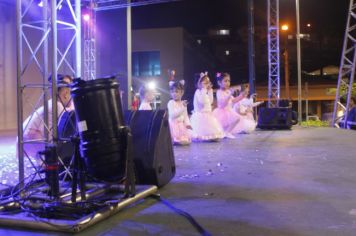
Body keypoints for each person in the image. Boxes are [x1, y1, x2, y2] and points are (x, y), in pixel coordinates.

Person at [22, 74, 74, 165]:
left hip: (29, 139)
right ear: (65, 94)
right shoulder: (57, 106)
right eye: (70, 92)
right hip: (33, 140)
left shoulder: (54, 104)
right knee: (69, 140)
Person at [190, 72, 224, 141]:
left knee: (214, 133)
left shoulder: (204, 91)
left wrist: (210, 91)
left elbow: (210, 101)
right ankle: (206, 136)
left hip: (208, 114)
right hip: (201, 116)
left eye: (208, 82)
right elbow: (202, 101)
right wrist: (204, 90)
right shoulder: (198, 92)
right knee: (204, 132)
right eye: (205, 83)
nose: (207, 84)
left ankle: (211, 136)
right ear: (198, 84)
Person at [213, 72, 245, 139]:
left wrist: (242, 96)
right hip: (222, 111)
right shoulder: (219, 92)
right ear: (219, 83)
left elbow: (234, 101)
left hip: (228, 110)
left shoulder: (227, 91)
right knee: (232, 120)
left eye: (229, 81)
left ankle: (227, 132)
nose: (228, 83)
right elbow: (222, 104)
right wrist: (229, 94)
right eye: (225, 81)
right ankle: (226, 132)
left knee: (237, 119)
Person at [167, 80, 192, 145]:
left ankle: (181, 140)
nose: (174, 93)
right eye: (172, 92)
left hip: (181, 125)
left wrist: (187, 124)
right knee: (176, 139)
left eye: (176, 92)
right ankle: (176, 140)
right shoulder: (171, 103)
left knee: (185, 140)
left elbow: (185, 115)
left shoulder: (183, 103)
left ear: (182, 92)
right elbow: (172, 115)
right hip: (173, 125)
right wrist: (182, 108)